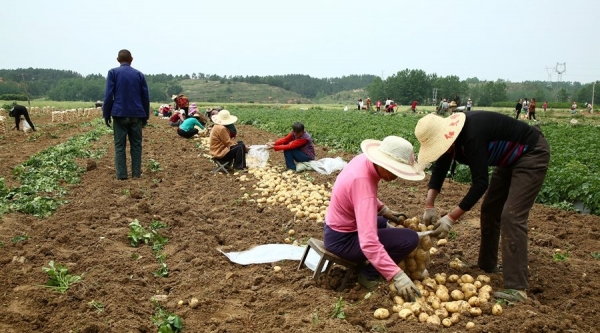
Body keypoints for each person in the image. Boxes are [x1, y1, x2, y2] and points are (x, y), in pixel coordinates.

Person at [415, 112, 550, 302]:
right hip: (508, 160)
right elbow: (440, 169)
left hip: (531, 153)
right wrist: (429, 205)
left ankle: (517, 288)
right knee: (489, 210)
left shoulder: (471, 136)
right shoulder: (449, 142)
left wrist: (450, 218)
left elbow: (480, 183)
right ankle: (487, 265)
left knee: (512, 216)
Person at [324, 136, 425, 301]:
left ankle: (379, 257)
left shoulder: (363, 161)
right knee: (409, 238)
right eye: (395, 171)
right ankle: (369, 275)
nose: (397, 177)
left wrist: (384, 210)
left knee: (385, 223)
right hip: (342, 241)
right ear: (384, 164)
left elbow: (358, 197)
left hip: (338, 226)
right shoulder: (363, 185)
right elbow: (368, 243)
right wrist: (396, 275)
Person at [103, 49, 150, 180]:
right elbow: (145, 97)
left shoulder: (113, 73)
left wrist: (106, 114)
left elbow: (108, 96)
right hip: (136, 115)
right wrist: (145, 116)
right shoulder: (139, 74)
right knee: (136, 145)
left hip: (119, 114)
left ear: (118, 60)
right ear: (131, 59)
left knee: (119, 145)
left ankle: (122, 175)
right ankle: (136, 174)